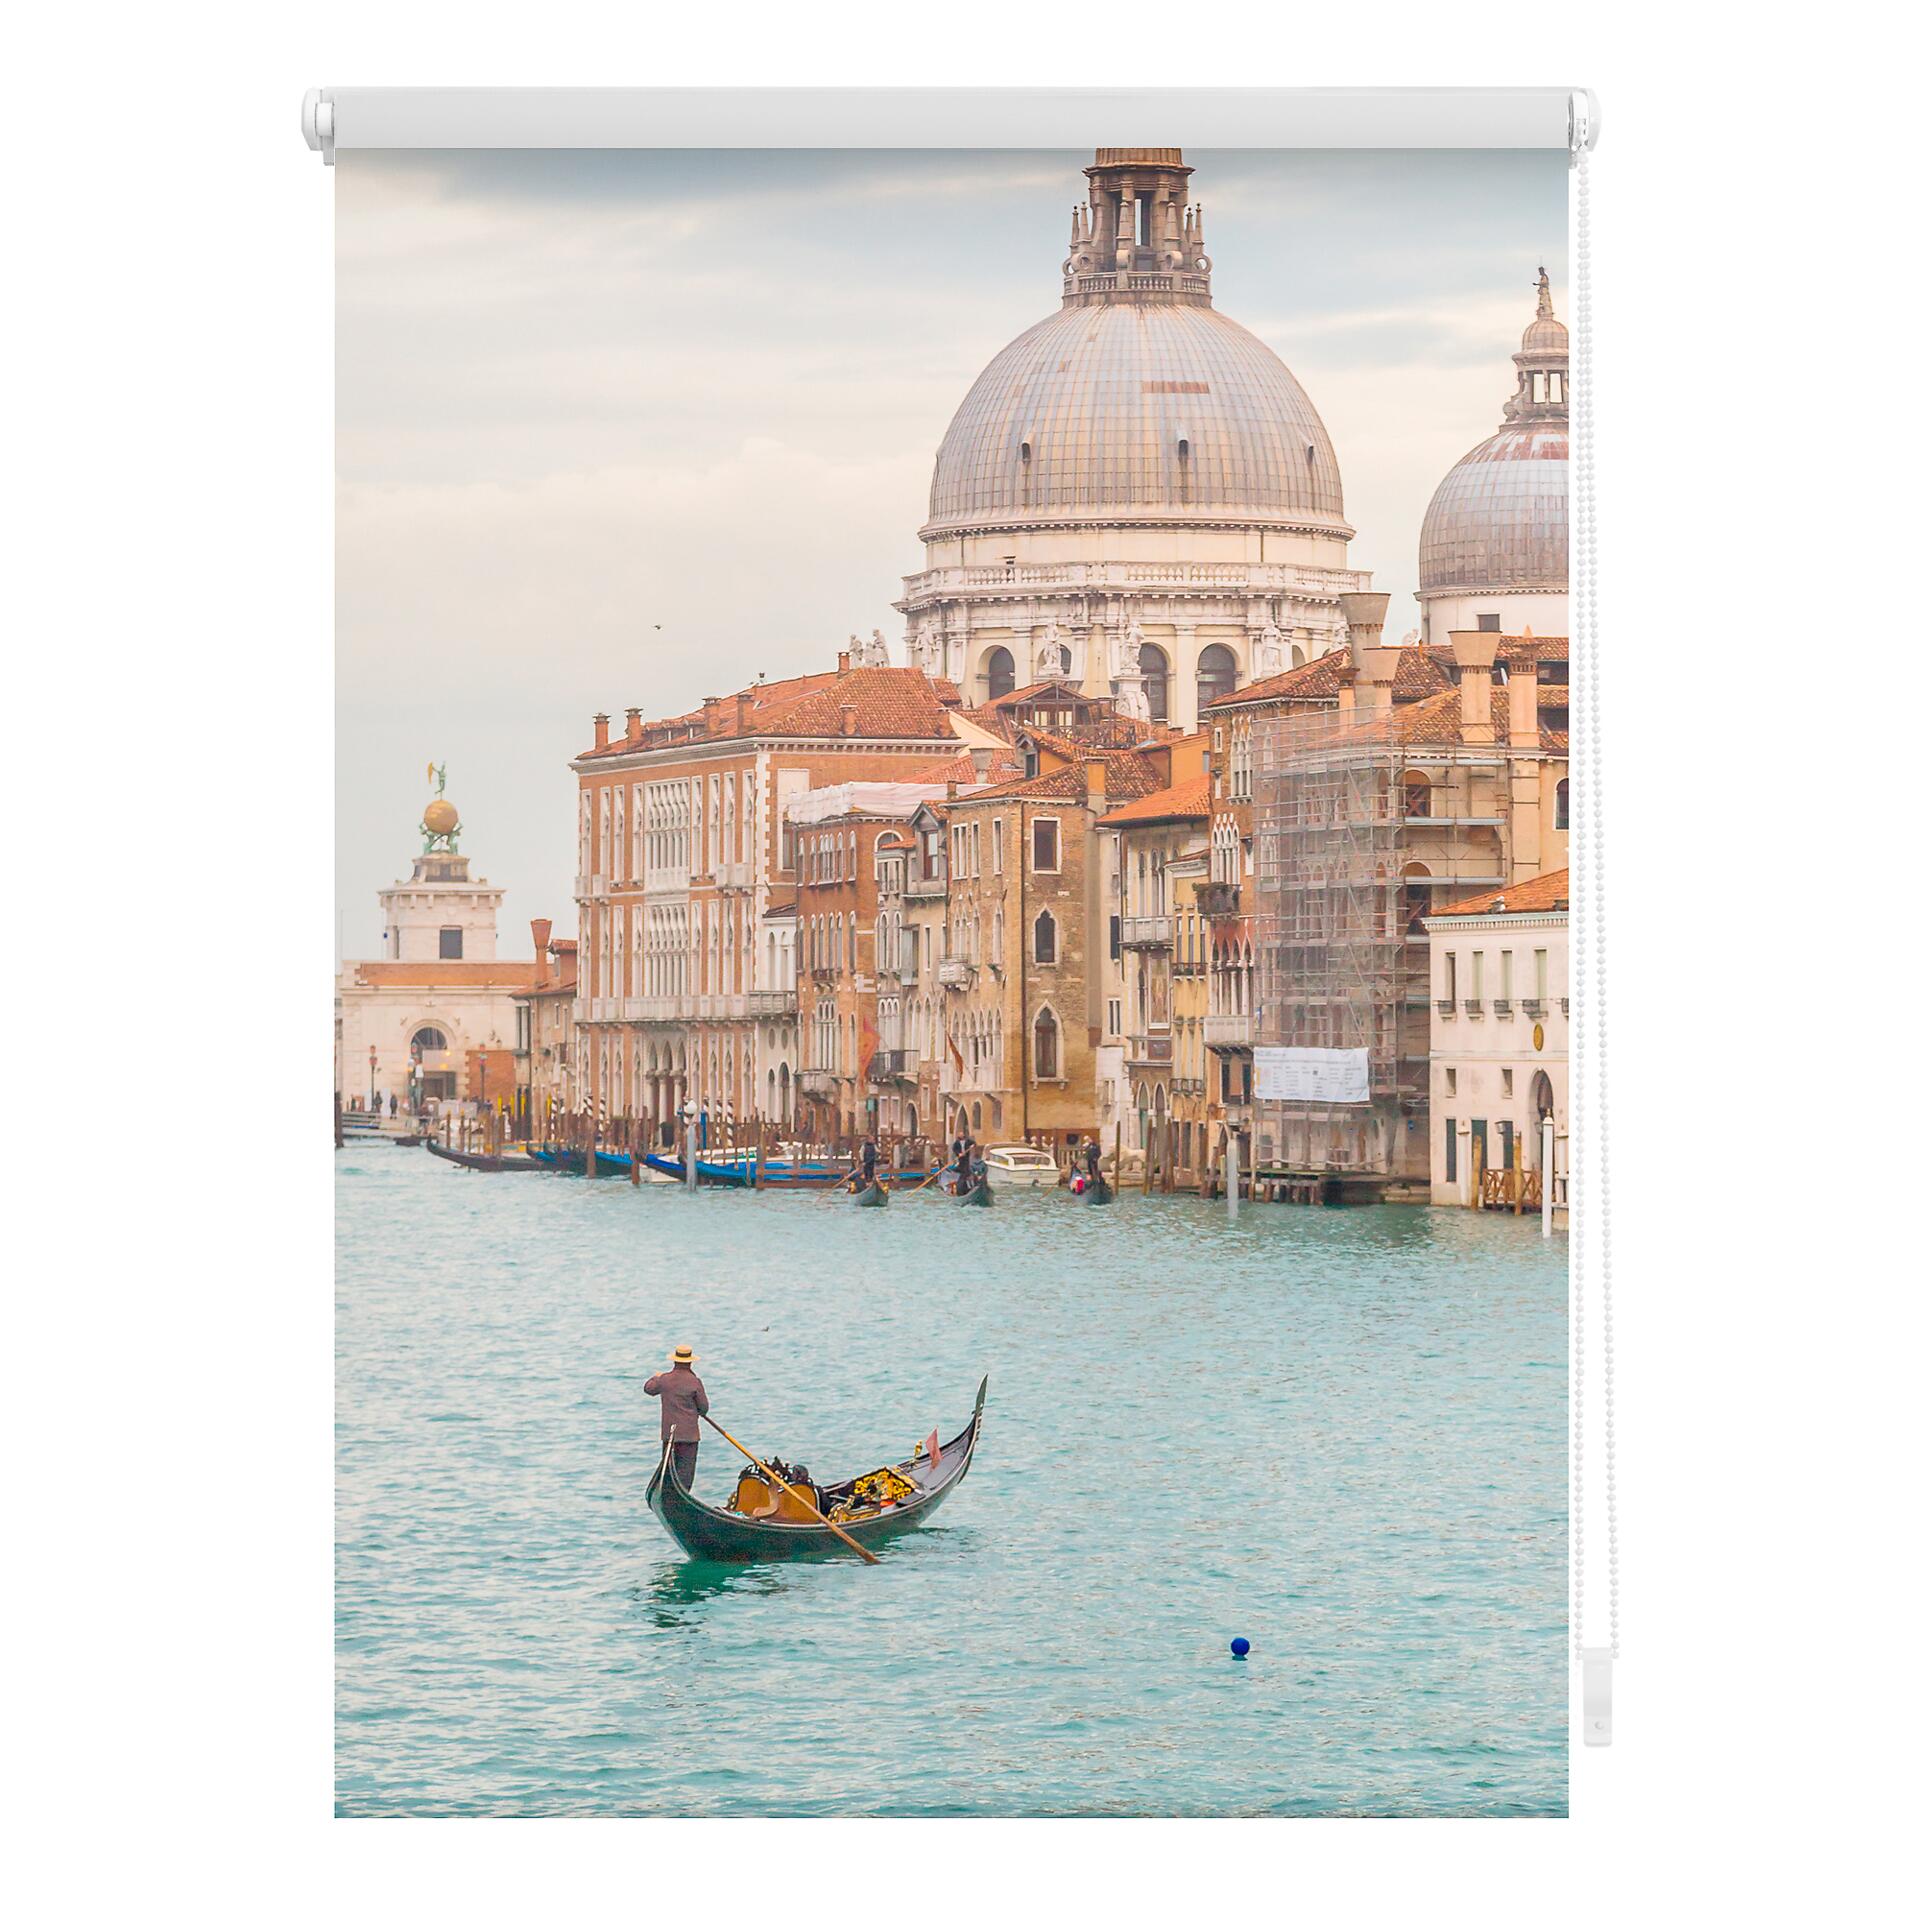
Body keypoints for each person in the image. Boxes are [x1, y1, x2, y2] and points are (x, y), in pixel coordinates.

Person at [644, 1345, 709, 1489]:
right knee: (685, 1476)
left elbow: (648, 1388)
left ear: (675, 1361)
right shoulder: (695, 1382)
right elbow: (704, 1409)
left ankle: (669, 1495)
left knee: (668, 1473)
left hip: (670, 1436)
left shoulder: (664, 1380)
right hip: (689, 1437)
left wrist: (656, 1377)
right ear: (690, 1362)